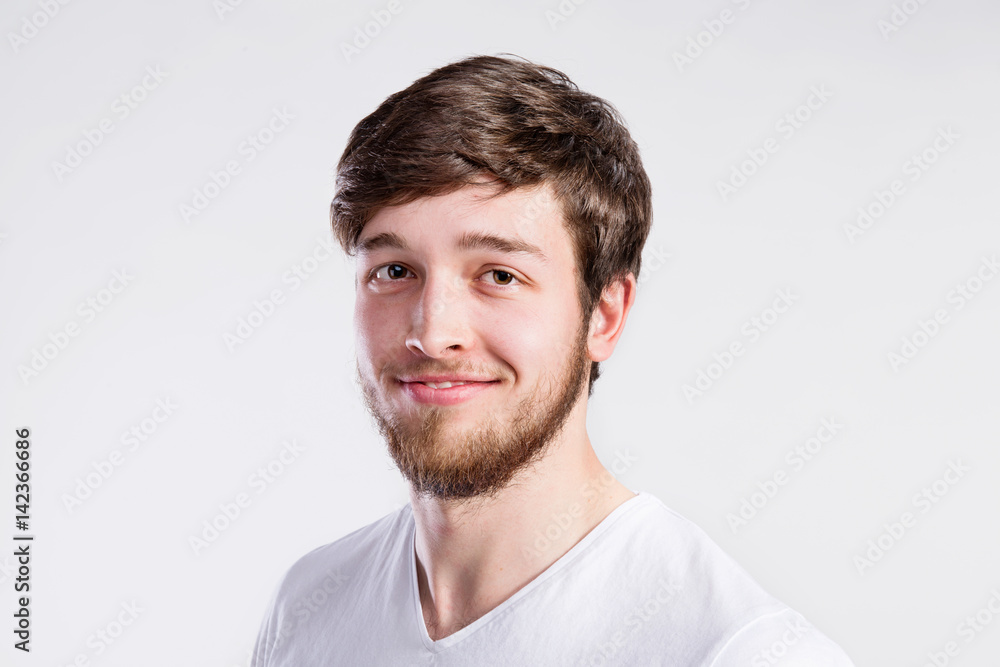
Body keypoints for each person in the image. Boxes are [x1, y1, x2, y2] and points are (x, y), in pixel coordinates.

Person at [251, 54, 854, 666]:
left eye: (499, 275)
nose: (433, 334)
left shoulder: (737, 650)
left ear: (604, 315)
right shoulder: (309, 611)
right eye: (395, 271)